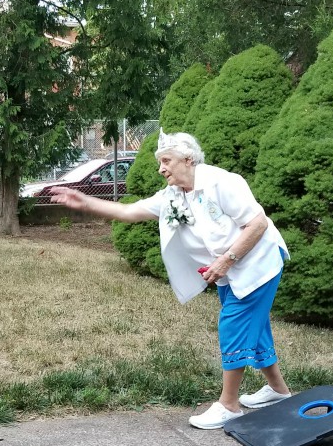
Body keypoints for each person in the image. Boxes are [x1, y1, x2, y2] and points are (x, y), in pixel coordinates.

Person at [50, 130, 293, 429]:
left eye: (166, 160)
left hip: (257, 264)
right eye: (160, 162)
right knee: (253, 327)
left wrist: (226, 260)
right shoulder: (173, 196)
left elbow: (258, 223)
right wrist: (85, 202)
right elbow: (129, 211)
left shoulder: (223, 182)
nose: (161, 168)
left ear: (188, 159)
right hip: (229, 272)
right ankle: (280, 391)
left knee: (233, 324)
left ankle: (229, 404)